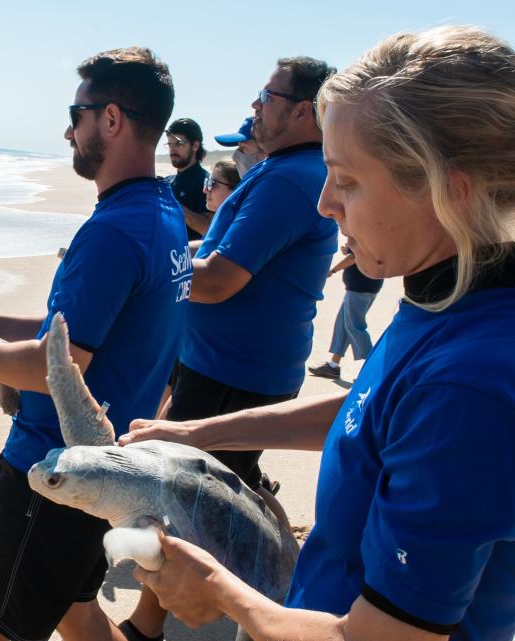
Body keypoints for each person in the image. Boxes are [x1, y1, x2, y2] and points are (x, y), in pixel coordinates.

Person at [122, 25, 515, 641]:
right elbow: (373, 414)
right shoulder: (449, 297)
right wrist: (192, 432)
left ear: (451, 190)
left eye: (348, 180)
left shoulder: (469, 381)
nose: (327, 204)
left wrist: (221, 593)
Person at [0, 47, 192, 641]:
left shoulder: (112, 231)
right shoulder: (162, 214)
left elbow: (58, 368)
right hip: (108, 465)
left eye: (77, 114)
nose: (68, 130)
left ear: (110, 119)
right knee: (76, 611)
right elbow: (85, 329)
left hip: (51, 468)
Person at [121, 56, 338, 641]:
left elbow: (218, 280)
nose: (254, 105)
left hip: (233, 370)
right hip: (230, 364)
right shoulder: (286, 170)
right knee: (215, 485)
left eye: (266, 95)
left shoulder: (293, 180)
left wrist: (146, 270)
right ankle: (259, 585)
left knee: (180, 498)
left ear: (302, 110)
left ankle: (151, 623)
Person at [308, 241, 383, 379]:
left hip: (361, 287)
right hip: (364, 285)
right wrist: (349, 249)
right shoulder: (371, 230)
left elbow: (355, 257)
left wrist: (332, 271)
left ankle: (373, 371)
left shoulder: (364, 228)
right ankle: (333, 366)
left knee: (355, 326)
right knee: (343, 325)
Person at [164, 118, 212, 239]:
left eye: (179, 143)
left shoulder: (207, 182)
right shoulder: (167, 182)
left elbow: (207, 228)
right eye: (170, 144)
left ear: (195, 145)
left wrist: (172, 204)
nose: (172, 150)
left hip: (190, 255)